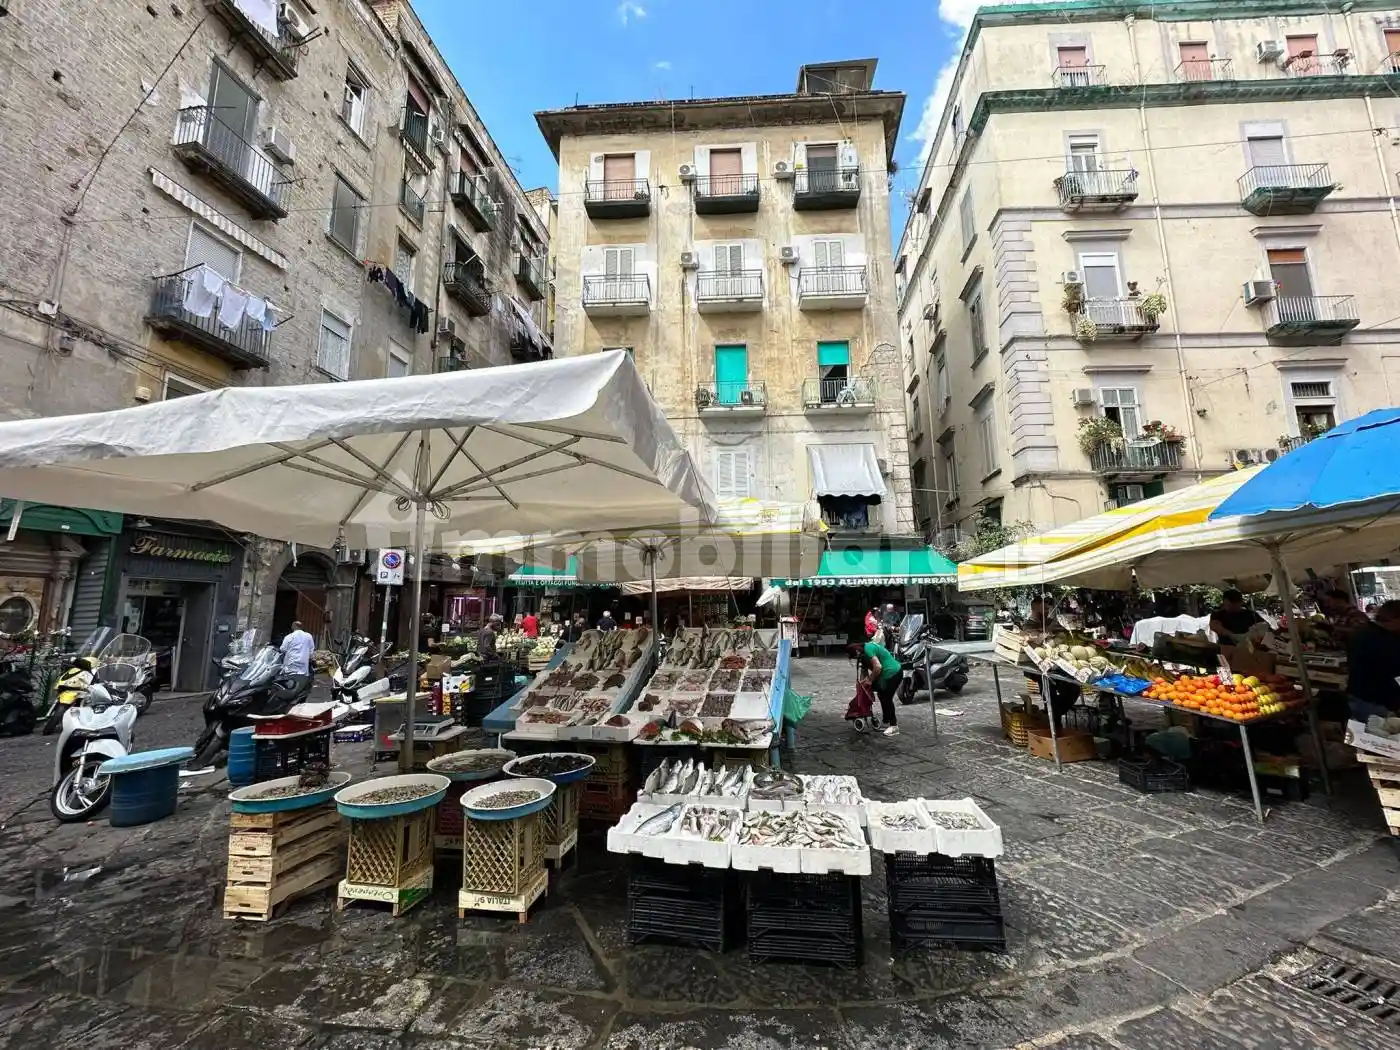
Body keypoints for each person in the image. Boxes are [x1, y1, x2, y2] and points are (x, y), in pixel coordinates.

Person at [1346, 600, 1400, 718]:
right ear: (1394, 619)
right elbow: (1390, 672)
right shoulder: (1384, 640)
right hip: (1375, 701)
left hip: (1360, 696)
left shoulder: (1363, 632)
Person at [857, 637, 903, 738]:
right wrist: (862, 685)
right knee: (881, 695)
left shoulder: (868, 649)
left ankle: (894, 726)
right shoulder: (863, 655)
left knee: (886, 698)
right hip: (886, 675)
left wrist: (869, 680)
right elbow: (863, 676)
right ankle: (886, 721)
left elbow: (878, 667)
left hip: (893, 673)